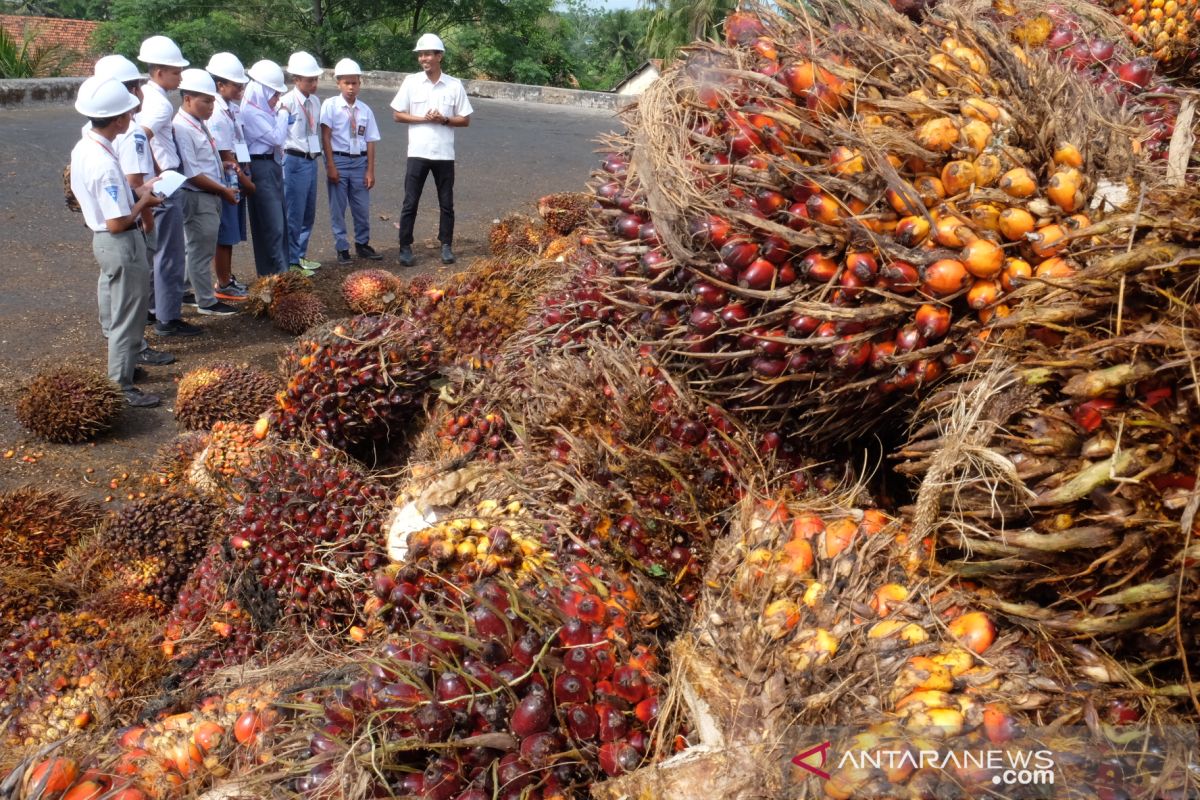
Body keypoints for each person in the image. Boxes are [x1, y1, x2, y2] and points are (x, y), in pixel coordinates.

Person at [70, 76, 164, 407]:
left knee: (115, 307)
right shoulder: (105, 164)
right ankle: (121, 384)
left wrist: (135, 191)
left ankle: (121, 371)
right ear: (120, 119)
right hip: (120, 241)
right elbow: (117, 222)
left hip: (104, 240)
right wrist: (144, 203)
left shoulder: (85, 147)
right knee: (129, 313)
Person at [91, 54, 176, 371]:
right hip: (125, 226)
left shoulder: (91, 135)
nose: (142, 93)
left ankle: (118, 343)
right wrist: (148, 222)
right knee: (131, 296)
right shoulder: (130, 131)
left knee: (111, 286)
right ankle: (132, 349)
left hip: (103, 228)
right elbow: (134, 182)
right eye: (138, 87)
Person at [137, 35, 202, 337]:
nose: (180, 77)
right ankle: (168, 316)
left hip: (155, 177)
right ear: (159, 72)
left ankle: (154, 308)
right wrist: (157, 170)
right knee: (170, 251)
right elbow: (140, 137)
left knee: (156, 249)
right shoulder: (160, 105)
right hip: (165, 178)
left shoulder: (145, 97)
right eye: (176, 72)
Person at [390, 33, 472, 267]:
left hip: (444, 154)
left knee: (446, 203)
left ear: (440, 56)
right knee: (410, 202)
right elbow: (397, 114)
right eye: (421, 54)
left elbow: (465, 119)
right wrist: (423, 118)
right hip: (417, 151)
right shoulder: (411, 82)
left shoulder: (454, 85)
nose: (424, 58)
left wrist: (444, 119)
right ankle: (404, 246)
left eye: (428, 54)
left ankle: (446, 244)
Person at [174, 69, 240, 317]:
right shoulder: (182, 128)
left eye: (212, 101)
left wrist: (222, 166)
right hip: (199, 195)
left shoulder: (198, 124)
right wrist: (223, 189)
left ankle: (188, 291)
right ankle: (206, 300)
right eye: (206, 101)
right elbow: (192, 173)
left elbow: (202, 162)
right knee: (201, 250)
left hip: (208, 192)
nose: (211, 106)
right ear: (188, 98)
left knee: (197, 247)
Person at [319, 58, 382, 265]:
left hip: (359, 163)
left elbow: (371, 141)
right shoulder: (330, 106)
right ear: (338, 83)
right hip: (339, 160)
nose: (351, 87)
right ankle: (342, 247)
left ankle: (362, 244)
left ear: (360, 83)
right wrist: (330, 166)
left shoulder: (365, 110)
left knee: (361, 208)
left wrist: (370, 170)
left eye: (354, 83)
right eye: (346, 83)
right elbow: (326, 136)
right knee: (338, 208)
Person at [205, 52, 255, 301]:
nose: (241, 88)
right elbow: (225, 152)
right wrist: (247, 182)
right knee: (225, 233)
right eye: (236, 84)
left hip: (234, 176)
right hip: (226, 179)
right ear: (220, 84)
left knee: (230, 232)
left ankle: (226, 278)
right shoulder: (216, 113)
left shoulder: (230, 109)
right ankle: (223, 282)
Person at [241, 59, 291, 276]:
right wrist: (283, 113)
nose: (277, 99)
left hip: (271, 164)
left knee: (278, 221)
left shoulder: (262, 109)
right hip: (260, 166)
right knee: (273, 225)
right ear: (263, 91)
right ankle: (277, 273)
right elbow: (277, 138)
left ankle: (278, 272)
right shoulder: (252, 111)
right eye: (275, 94)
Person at [281, 51, 324, 272]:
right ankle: (291, 260)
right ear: (296, 79)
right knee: (294, 212)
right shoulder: (286, 102)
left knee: (308, 211)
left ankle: (301, 254)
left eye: (315, 79)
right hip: (294, 159)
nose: (314, 84)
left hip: (311, 159)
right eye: (309, 80)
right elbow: (280, 134)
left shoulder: (315, 101)